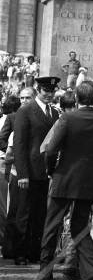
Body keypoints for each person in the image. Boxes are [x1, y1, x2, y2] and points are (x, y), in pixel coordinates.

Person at [27, 81, 93, 280]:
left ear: (76, 98)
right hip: (88, 179)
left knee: (51, 227)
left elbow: (50, 150)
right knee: (80, 226)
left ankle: (44, 276)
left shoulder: (67, 117)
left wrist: (51, 171)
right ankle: (92, 273)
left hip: (64, 177)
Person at [12, 77, 61, 265]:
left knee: (41, 213)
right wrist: (23, 174)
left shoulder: (54, 113)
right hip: (30, 171)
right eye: (46, 91)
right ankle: (19, 253)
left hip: (46, 171)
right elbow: (19, 144)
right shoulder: (25, 110)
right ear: (38, 90)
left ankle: (35, 251)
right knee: (24, 214)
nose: (50, 95)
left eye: (52, 91)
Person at [1, 89, 34, 258]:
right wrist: (16, 154)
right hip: (15, 171)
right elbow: (3, 140)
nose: (24, 100)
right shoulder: (12, 118)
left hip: (34, 172)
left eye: (28, 97)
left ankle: (27, 249)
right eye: (22, 98)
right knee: (14, 211)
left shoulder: (44, 117)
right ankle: (9, 249)